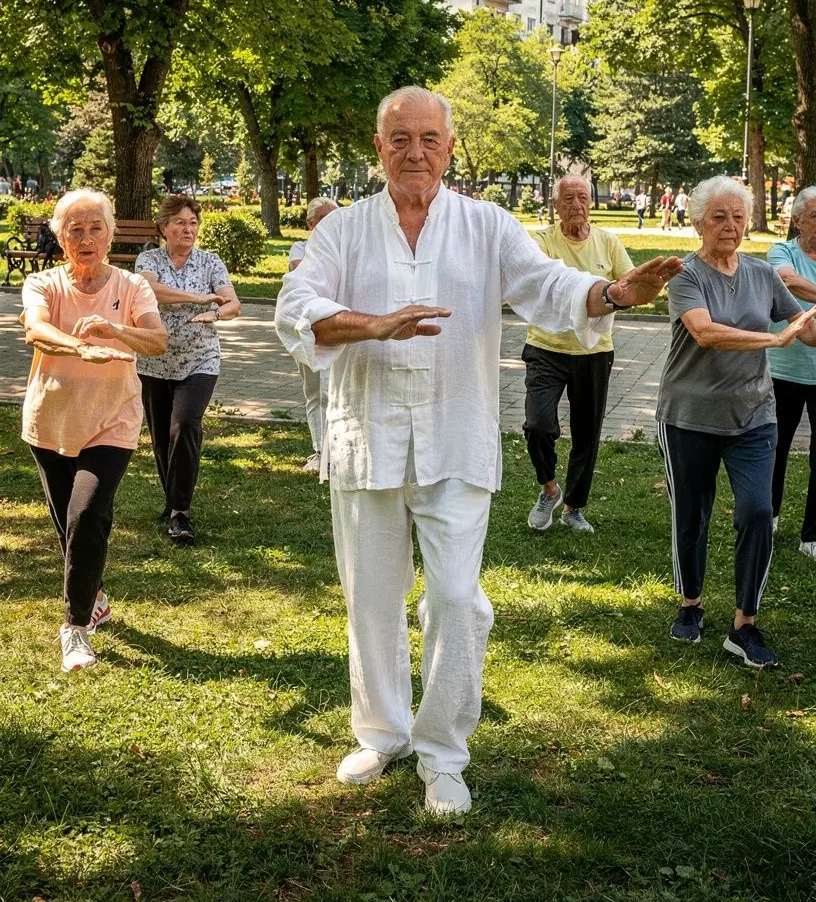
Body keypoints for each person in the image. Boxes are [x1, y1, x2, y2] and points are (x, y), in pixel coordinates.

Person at [275, 86, 680, 815]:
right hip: (367, 436)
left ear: (450, 147)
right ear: (379, 148)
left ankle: (443, 751)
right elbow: (295, 309)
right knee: (371, 598)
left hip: (454, 435)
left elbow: (550, 285)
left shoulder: (485, 224)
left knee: (457, 600)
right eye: (401, 138)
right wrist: (373, 325)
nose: (415, 152)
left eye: (429, 138)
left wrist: (615, 295)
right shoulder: (344, 230)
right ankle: (383, 732)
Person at [655, 177, 816, 669]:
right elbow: (705, 333)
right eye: (719, 217)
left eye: (739, 217)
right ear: (698, 222)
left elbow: (803, 329)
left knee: (757, 512)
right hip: (688, 417)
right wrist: (773, 340)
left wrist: (806, 326)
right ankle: (691, 603)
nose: (731, 225)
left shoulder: (762, 273)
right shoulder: (685, 275)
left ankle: (744, 623)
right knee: (692, 515)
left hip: (753, 415)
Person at [20, 189, 168, 672]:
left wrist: (116, 330)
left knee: (87, 511)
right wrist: (78, 347)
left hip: (112, 420)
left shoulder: (133, 286)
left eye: (95, 228)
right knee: (70, 526)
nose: (86, 239)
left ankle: (76, 626)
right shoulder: (42, 283)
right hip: (51, 421)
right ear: (60, 237)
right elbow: (36, 329)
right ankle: (94, 594)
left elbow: (157, 340)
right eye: (75, 230)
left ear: (111, 233)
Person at [524, 176, 634, 536]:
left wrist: (637, 286)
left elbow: (629, 283)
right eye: (568, 198)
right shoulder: (542, 241)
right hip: (546, 347)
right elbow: (536, 277)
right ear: (555, 205)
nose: (576, 204)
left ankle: (573, 507)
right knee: (538, 424)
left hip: (594, 352)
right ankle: (549, 489)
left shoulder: (607, 242)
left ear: (591, 202)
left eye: (582, 197)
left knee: (587, 432)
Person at [135, 195, 241, 544]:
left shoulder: (210, 262)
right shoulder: (149, 260)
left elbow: (232, 303)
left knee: (184, 426)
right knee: (162, 437)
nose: (188, 229)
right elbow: (150, 291)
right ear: (164, 227)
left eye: (193, 223)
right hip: (155, 360)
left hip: (200, 359)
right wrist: (197, 299)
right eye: (180, 222)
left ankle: (180, 512)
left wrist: (216, 313)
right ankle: (171, 502)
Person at [767, 187, 816, 555]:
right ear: (798, 221)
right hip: (782, 369)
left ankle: (812, 534)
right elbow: (787, 281)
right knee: (773, 448)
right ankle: (767, 518)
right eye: (815, 216)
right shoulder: (783, 251)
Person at [288, 198, 340, 471]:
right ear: (311, 224)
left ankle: (341, 453)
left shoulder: (345, 248)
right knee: (316, 392)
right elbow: (303, 277)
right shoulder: (301, 248)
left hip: (342, 328)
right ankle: (321, 452)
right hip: (310, 329)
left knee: (338, 392)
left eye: (336, 216)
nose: (333, 222)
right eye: (325, 218)